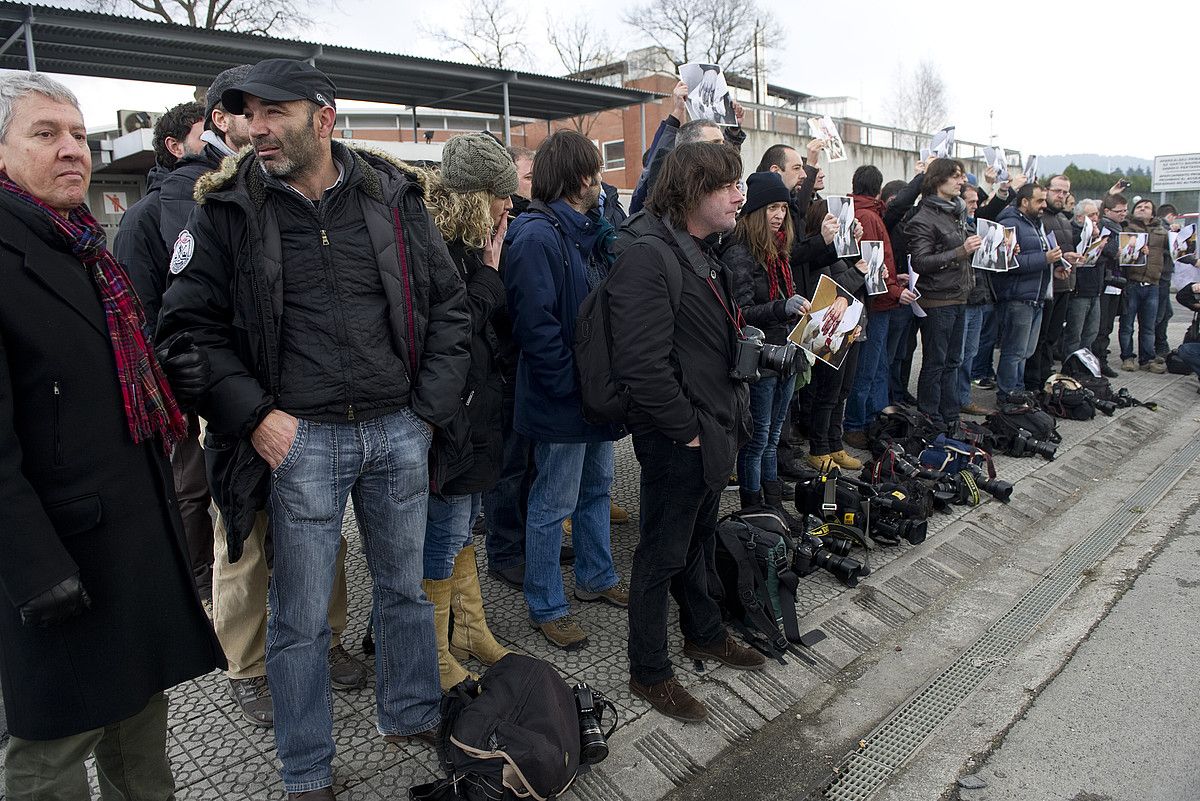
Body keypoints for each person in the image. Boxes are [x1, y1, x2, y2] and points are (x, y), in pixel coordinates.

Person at [158, 59, 470, 799]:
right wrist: (257, 417)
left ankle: (411, 709)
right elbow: (184, 333)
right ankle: (307, 769)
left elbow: (449, 305)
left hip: (399, 430)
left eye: (273, 112)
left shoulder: (392, 196)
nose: (254, 128)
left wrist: (427, 410)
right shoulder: (228, 208)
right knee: (297, 620)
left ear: (323, 118)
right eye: (245, 114)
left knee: (401, 589)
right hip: (301, 443)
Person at [0, 71, 223, 800]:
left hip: (126, 549)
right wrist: (35, 571)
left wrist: (169, 374)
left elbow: (90, 379)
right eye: (45, 133)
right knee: (52, 760)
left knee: (139, 734)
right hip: (56, 566)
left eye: (78, 135)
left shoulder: (82, 246)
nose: (72, 150)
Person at [606, 141, 766, 723]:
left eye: (738, 182)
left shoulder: (704, 249)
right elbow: (640, 364)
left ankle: (702, 632)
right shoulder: (648, 253)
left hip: (713, 424)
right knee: (659, 555)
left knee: (696, 541)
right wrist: (689, 431)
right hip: (681, 436)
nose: (739, 194)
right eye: (727, 184)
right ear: (693, 190)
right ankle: (649, 671)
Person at [504, 130, 627, 651]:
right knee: (553, 501)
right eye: (597, 173)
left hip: (595, 396)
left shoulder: (587, 231)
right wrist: (568, 391)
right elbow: (536, 329)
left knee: (596, 488)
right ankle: (546, 604)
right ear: (582, 178)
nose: (603, 184)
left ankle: (595, 577)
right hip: (567, 400)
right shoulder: (536, 236)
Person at [420, 132, 515, 689]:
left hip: (474, 415)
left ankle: (468, 631)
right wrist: (490, 274)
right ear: (476, 195)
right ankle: (432, 651)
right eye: (500, 195)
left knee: (460, 529)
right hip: (451, 421)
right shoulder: (439, 247)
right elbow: (453, 331)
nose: (509, 206)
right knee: (445, 530)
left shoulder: (466, 242)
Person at [719, 172, 808, 512]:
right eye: (772, 207)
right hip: (761, 363)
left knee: (772, 440)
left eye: (783, 208)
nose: (779, 215)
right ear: (756, 209)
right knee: (756, 443)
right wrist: (781, 307)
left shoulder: (778, 250)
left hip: (785, 356)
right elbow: (739, 313)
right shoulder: (740, 252)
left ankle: (774, 509)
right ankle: (755, 511)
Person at [114, 100, 204, 328]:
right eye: (204, 138)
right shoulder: (141, 218)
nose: (214, 144)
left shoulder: (222, 200)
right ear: (175, 146)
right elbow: (140, 308)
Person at [905, 158, 981, 428]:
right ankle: (930, 417)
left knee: (953, 361)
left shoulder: (955, 211)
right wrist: (961, 251)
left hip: (959, 295)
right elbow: (920, 262)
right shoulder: (924, 217)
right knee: (936, 362)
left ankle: (950, 416)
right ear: (939, 180)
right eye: (957, 176)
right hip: (937, 300)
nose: (963, 181)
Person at [844, 164, 915, 447]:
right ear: (878, 188)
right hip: (877, 303)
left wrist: (892, 280)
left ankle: (870, 419)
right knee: (868, 367)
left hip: (878, 299)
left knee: (873, 366)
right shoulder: (869, 216)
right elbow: (873, 264)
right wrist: (896, 290)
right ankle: (856, 424)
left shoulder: (860, 212)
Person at [992, 184, 1058, 401]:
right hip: (1018, 298)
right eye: (1040, 201)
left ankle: (1018, 390)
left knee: (1026, 352)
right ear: (1025, 202)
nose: (1044, 205)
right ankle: (1008, 393)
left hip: (1036, 297)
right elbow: (1006, 262)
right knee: (1014, 351)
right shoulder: (1009, 223)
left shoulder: (1036, 224)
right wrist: (1044, 259)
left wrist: (1059, 263)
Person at [1025, 175, 1083, 390]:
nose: (1061, 195)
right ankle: (1034, 380)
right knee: (1039, 339)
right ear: (1046, 190)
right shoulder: (1038, 219)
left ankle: (1045, 376)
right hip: (1045, 288)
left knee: (1052, 337)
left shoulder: (1063, 220)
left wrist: (1069, 258)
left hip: (1063, 284)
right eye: (1057, 191)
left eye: (1065, 192)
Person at [1119, 198, 1169, 373]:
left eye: (1146, 207)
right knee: (1127, 325)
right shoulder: (1127, 227)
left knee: (1148, 326)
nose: (1142, 209)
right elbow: (1123, 255)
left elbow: (1177, 250)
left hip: (1153, 284)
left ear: (1153, 213)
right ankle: (1127, 357)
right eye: (1139, 207)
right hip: (1132, 282)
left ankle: (1147, 359)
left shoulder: (1162, 231)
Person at [1090, 193, 1129, 377]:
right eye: (1119, 211)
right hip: (1104, 282)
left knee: (1107, 326)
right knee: (1100, 326)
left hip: (1116, 282)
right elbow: (1107, 250)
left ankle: (1101, 359)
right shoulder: (1103, 227)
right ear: (1107, 211)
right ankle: (1097, 362)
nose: (1123, 214)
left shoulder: (1119, 228)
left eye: (1125, 210)